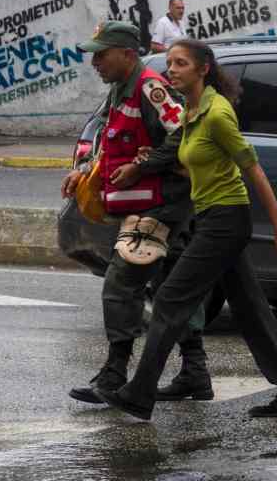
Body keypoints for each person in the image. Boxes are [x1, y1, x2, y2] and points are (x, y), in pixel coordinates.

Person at [95, 38, 277, 421]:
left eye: (180, 64)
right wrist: (143, 165)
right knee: (252, 311)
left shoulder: (217, 114)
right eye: (170, 64)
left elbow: (254, 170)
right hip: (211, 217)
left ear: (203, 69)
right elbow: (175, 155)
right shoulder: (190, 112)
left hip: (227, 220)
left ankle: (139, 393)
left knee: (169, 299)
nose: (171, 70)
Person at [60, 21, 214, 406]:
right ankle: (195, 371)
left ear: (127, 54)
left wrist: (144, 168)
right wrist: (83, 170)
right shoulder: (120, 90)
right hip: (148, 205)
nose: (94, 61)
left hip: (161, 205)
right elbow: (115, 144)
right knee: (170, 288)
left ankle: (114, 376)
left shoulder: (150, 87)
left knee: (120, 284)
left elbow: (184, 131)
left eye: (101, 53)